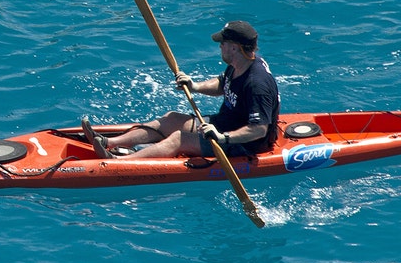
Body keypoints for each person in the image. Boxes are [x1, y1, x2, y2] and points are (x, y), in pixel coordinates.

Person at [82, 20, 280, 159]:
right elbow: (223, 83)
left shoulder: (257, 84)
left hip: (244, 144)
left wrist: (222, 137)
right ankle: (109, 143)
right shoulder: (240, 64)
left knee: (178, 139)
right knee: (171, 119)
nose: (220, 46)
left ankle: (118, 162)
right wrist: (194, 86)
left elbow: (258, 129)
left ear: (235, 47)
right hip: (224, 124)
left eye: (223, 43)